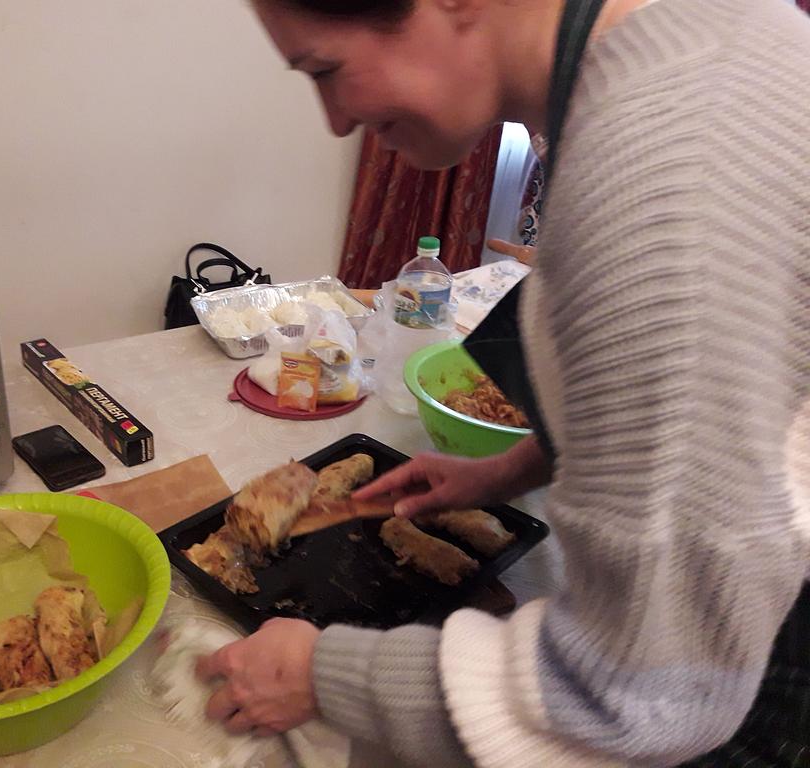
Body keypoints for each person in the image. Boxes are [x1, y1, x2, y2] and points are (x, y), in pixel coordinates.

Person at [195, 1, 810, 765]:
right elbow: (731, 398)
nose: (336, 121)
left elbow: (636, 696)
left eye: (326, 69)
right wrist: (514, 468)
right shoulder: (702, 36)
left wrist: (322, 675)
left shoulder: (662, 185)